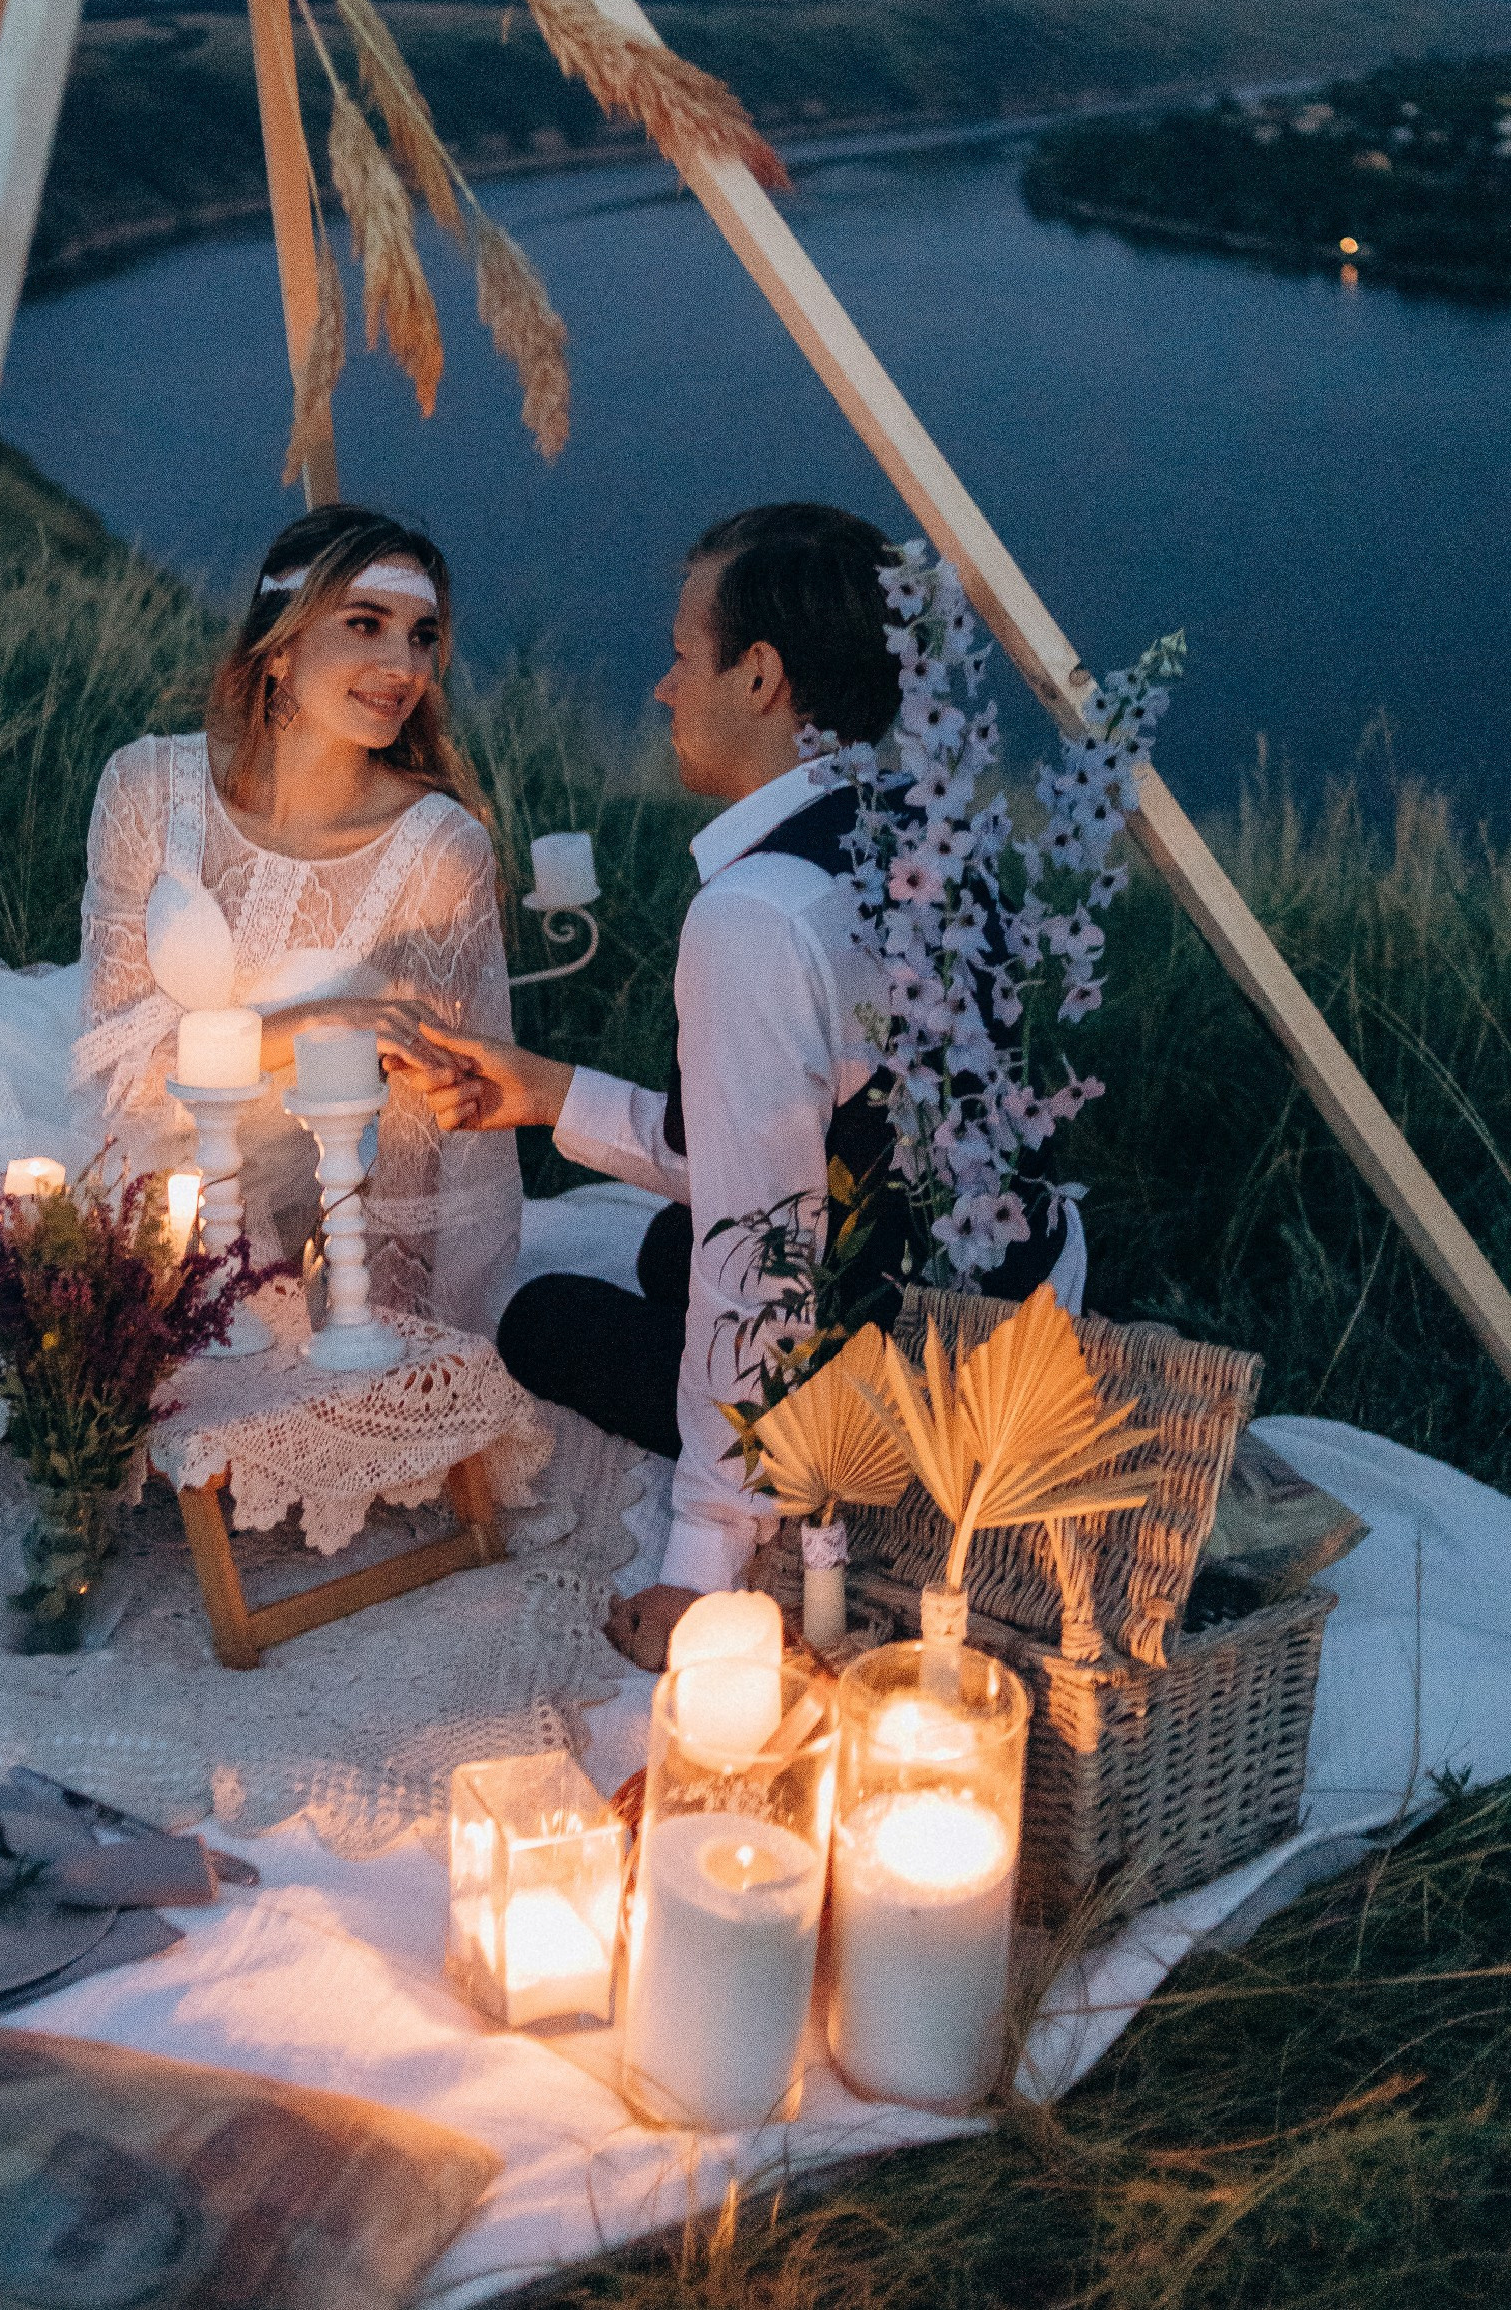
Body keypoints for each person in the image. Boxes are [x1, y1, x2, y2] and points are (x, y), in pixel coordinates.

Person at [389, 502, 1079, 1669]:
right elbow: (817, 1136)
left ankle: (771, 1486)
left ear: (758, 676)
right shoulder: (931, 831)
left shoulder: (756, 916)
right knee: (664, 1249)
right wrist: (547, 1094)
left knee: (539, 1315)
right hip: (1021, 1295)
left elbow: (759, 1252)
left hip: (911, 1395)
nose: (662, 688)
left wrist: (699, 1569)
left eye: (679, 655)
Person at [72, 505, 523, 1334]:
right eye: (366, 625)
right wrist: (316, 1021)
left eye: (422, 636)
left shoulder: (439, 849)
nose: (404, 665)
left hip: (313, 1216)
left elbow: (428, 1140)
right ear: (279, 646)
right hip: (121, 1172)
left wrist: (382, 1324)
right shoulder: (148, 788)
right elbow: (116, 1074)